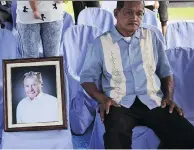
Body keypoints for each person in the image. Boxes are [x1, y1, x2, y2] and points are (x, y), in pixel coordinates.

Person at [80, 1, 194, 149]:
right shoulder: (100, 43)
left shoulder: (152, 38)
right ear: (116, 13)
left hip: (153, 100)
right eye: (128, 12)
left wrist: (169, 97)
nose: (134, 17)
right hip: (119, 103)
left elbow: (166, 72)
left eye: (139, 13)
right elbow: (86, 78)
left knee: (186, 135)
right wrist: (102, 99)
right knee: (115, 140)